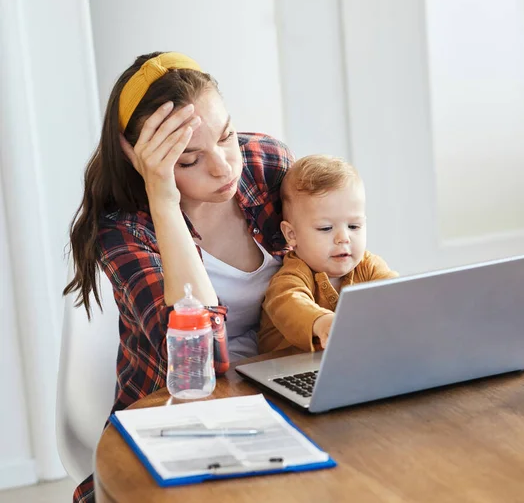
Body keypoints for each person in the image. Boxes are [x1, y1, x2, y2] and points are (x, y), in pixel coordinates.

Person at [64, 51, 294, 503]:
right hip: (179, 420)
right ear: (144, 163)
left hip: (278, 394)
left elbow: (332, 268)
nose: (224, 167)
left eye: (226, 137)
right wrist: (164, 205)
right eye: (189, 160)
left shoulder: (266, 163)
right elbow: (199, 365)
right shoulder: (123, 230)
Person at [258, 155, 398, 353]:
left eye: (353, 226)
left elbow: (397, 292)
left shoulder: (368, 266)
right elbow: (289, 303)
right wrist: (322, 322)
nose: (343, 238)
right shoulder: (291, 277)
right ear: (291, 234)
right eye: (325, 228)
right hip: (284, 368)